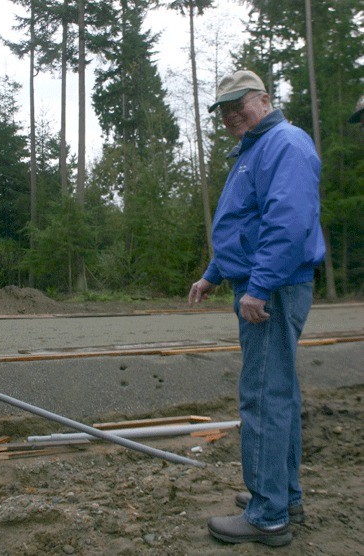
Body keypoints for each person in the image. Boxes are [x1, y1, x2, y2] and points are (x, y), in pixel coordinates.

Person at [188, 70, 326, 547]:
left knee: (264, 398)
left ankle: (267, 515)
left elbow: (287, 222)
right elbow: (244, 222)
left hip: (275, 287)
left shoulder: (283, 143)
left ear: (264, 99)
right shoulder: (254, 149)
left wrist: (259, 286)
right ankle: (283, 497)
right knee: (277, 394)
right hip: (267, 282)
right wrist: (213, 273)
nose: (229, 116)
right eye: (223, 110)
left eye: (238, 105)